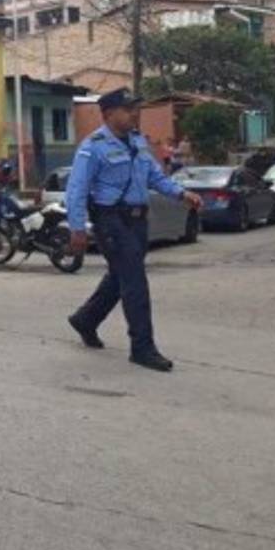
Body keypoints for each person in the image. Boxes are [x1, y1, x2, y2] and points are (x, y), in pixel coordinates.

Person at [64, 88, 202, 372]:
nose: (134, 114)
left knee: (120, 277)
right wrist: (77, 228)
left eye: (135, 109)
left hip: (137, 220)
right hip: (110, 220)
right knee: (135, 282)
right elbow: (76, 189)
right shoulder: (93, 147)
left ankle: (85, 319)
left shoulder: (138, 142)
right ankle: (142, 347)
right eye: (127, 110)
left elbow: (153, 176)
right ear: (108, 114)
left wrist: (180, 193)